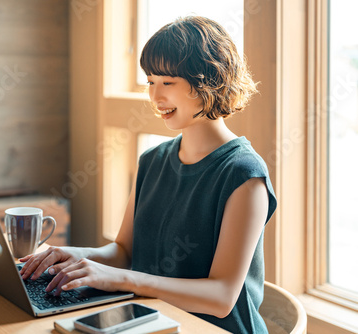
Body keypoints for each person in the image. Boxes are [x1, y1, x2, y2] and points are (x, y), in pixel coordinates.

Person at [20, 15, 277, 333]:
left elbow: (222, 298)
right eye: (150, 82)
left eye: (167, 82)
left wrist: (121, 280)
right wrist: (71, 256)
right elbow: (125, 252)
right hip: (151, 319)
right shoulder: (153, 160)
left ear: (209, 80)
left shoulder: (244, 175)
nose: (155, 97)